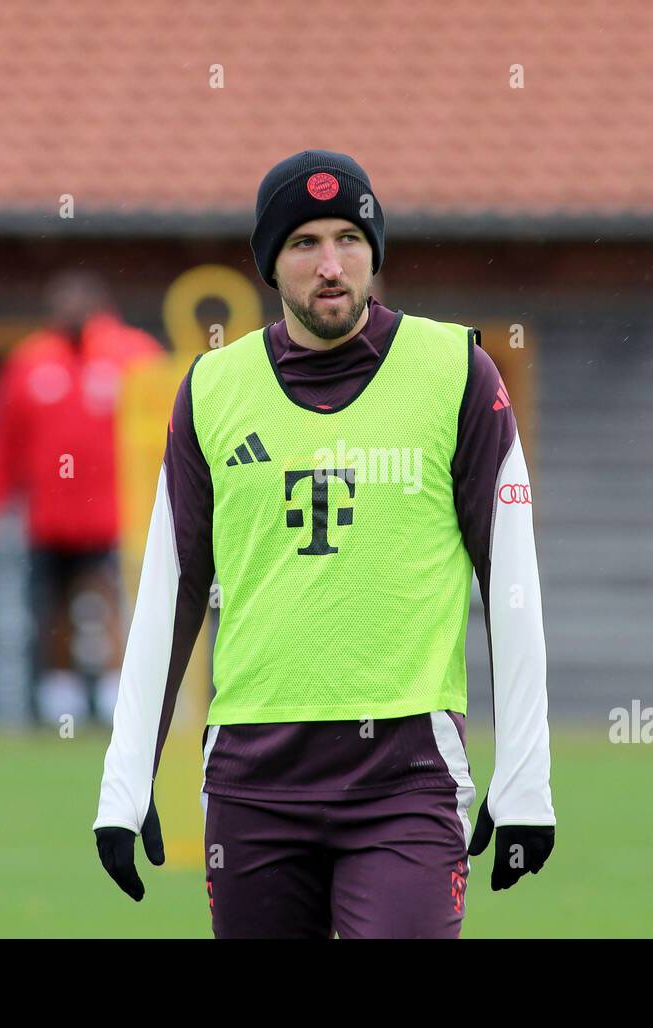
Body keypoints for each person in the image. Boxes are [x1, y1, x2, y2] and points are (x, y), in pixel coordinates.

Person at [93, 150, 554, 938]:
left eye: (350, 238)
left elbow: (511, 584)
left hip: (405, 779)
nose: (332, 265)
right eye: (305, 243)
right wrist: (125, 779)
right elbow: (168, 594)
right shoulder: (211, 390)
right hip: (251, 780)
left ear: (376, 250)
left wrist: (525, 783)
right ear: (271, 263)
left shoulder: (459, 374)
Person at [0, 271, 166, 726]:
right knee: (54, 607)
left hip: (121, 515)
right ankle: (61, 701)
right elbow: (3, 442)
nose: (70, 311)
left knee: (115, 602)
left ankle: (116, 697)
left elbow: (170, 431)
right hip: (51, 517)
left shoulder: (135, 357)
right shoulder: (29, 361)